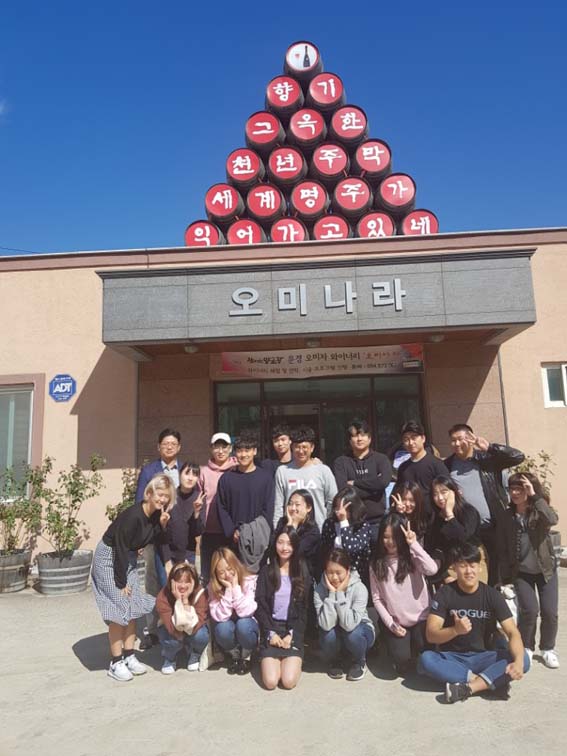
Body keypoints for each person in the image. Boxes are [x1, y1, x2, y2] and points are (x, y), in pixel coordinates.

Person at [419, 542, 530, 703]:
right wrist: (455, 630)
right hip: (453, 658)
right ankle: (490, 682)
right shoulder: (444, 594)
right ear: (454, 568)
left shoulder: (492, 595)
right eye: (463, 566)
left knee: (524, 658)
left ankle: (468, 688)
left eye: (472, 566)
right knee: (426, 660)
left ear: (479, 568)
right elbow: (431, 634)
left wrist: (518, 662)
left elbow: (512, 632)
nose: (469, 571)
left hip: (484, 656)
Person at [91, 473, 175, 681]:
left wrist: (163, 525)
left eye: (166, 496)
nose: (163, 499)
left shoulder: (155, 516)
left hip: (126, 557)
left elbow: (158, 540)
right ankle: (115, 661)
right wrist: (121, 583)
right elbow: (119, 547)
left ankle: (129, 655)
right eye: (160, 494)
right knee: (119, 605)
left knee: (134, 605)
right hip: (109, 558)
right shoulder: (134, 516)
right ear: (149, 493)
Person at [444, 423, 525, 584]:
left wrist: (490, 447)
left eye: (460, 439)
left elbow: (518, 457)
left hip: (493, 525)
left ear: (470, 438)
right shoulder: (447, 465)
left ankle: (496, 594)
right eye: (453, 440)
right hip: (468, 529)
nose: (457, 444)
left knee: (498, 568)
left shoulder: (487, 459)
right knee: (473, 569)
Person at [499, 472, 560, 668]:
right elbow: (503, 547)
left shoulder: (538, 511)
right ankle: (526, 646)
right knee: (529, 611)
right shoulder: (507, 516)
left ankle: (548, 648)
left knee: (550, 612)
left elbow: (552, 519)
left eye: (521, 488)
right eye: (512, 489)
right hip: (522, 572)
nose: (515, 493)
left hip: (546, 570)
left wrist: (534, 495)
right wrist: (505, 577)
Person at [369, 512, 437, 674]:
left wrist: (414, 544)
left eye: (395, 537)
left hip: (421, 618)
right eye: (386, 537)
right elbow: (376, 598)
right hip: (397, 622)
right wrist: (390, 624)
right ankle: (389, 641)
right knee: (402, 659)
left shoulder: (413, 556)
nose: (390, 542)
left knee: (425, 648)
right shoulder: (376, 563)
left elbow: (432, 569)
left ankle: (415, 648)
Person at [134, 428, 182, 649]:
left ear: (179, 447)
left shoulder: (185, 469)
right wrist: (141, 537)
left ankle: (178, 628)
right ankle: (152, 631)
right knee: (153, 583)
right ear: (158, 447)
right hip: (154, 535)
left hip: (178, 538)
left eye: (173, 444)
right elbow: (140, 503)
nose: (169, 447)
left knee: (179, 581)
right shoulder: (149, 470)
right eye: (165, 444)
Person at [255, 526, 309, 690]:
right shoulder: (266, 571)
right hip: (271, 628)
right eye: (280, 542)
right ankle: (272, 659)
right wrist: (270, 634)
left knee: (288, 681)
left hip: (292, 630)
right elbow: (260, 607)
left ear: (295, 546)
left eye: (289, 543)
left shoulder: (302, 571)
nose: (284, 547)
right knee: (271, 682)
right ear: (275, 544)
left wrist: (292, 635)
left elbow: (304, 610)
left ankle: (291, 659)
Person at [314, 548, 375, 681]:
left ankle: (359, 661)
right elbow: (325, 625)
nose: (334, 577)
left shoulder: (359, 588)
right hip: (335, 629)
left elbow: (349, 625)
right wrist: (332, 594)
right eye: (330, 572)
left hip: (359, 629)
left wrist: (340, 594)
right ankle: (335, 660)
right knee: (327, 635)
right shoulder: (319, 590)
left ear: (348, 570)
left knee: (352, 634)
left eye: (338, 572)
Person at [333, 419, 392, 543]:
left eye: (363, 435)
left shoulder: (381, 459)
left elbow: (383, 483)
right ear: (350, 440)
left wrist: (355, 483)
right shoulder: (341, 462)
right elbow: (343, 490)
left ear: (369, 439)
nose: (359, 439)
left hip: (377, 522)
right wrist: (374, 489)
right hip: (351, 523)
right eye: (355, 435)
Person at [217, 431, 275, 549]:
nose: (243, 455)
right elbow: (221, 507)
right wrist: (232, 531)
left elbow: (268, 509)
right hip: (233, 539)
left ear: (255, 451)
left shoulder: (266, 478)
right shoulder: (226, 479)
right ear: (234, 453)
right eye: (239, 451)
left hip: (259, 538)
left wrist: (254, 531)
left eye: (247, 450)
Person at [273, 425, 337, 531]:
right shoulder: (282, 471)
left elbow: (332, 501)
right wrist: (278, 530)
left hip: (319, 531)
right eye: (297, 447)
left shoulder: (323, 471)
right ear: (292, 447)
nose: (301, 451)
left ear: (312, 447)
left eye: (304, 447)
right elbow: (278, 506)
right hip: (291, 531)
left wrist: (327, 526)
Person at [208, 547, 259, 675]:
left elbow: (246, 612)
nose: (227, 575)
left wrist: (235, 587)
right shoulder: (213, 587)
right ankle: (234, 655)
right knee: (222, 628)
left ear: (236, 565)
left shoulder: (249, 580)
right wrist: (228, 590)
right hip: (229, 626)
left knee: (243, 624)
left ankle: (247, 655)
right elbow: (220, 617)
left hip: (248, 626)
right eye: (221, 572)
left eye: (229, 568)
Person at [154, 461, 205, 588]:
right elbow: (160, 532)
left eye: (195, 475)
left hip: (188, 554)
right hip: (167, 553)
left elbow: (197, 532)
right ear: (179, 474)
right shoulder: (169, 497)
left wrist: (196, 513)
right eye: (187, 473)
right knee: (167, 590)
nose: (190, 478)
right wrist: (167, 561)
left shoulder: (199, 499)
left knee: (186, 591)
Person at [426, 475, 485, 583]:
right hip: (450, 566)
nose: (440, 498)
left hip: (472, 562)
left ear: (454, 492)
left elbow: (463, 537)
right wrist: (445, 576)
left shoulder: (468, 511)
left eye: (444, 492)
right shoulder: (436, 518)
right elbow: (433, 547)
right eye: (435, 494)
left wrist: (450, 514)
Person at [155, 562, 209, 675]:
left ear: (194, 582)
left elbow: (198, 623)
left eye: (187, 581)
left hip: (192, 630)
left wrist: (185, 602)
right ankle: (170, 658)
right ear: (172, 581)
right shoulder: (163, 596)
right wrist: (178, 600)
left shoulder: (200, 594)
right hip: (172, 631)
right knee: (173, 641)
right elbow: (172, 629)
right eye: (179, 581)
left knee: (202, 636)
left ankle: (195, 652)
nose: (183, 586)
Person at [199, 432, 237, 584]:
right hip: (209, 531)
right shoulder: (203, 472)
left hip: (232, 532)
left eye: (224, 447)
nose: (220, 451)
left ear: (230, 448)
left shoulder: (237, 469)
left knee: (231, 574)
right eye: (217, 447)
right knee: (209, 576)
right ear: (211, 449)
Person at [397, 421, 448, 516]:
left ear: (423, 438)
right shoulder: (403, 468)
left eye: (414, 438)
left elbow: (447, 491)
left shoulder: (436, 464)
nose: (410, 443)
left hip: (434, 518)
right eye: (406, 439)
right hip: (411, 518)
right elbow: (398, 493)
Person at [321, 486, 372, 581]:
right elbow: (324, 549)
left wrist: (344, 522)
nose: (339, 511)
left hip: (356, 575)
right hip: (333, 574)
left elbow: (350, 548)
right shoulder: (329, 524)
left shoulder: (363, 526)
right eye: (337, 507)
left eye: (344, 507)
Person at [274, 489, 321, 579]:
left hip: (301, 576)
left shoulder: (312, 531)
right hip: (279, 572)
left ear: (308, 508)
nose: (293, 508)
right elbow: (273, 546)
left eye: (297, 504)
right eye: (290, 504)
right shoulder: (282, 522)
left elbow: (296, 552)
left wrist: (293, 525)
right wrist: (289, 525)